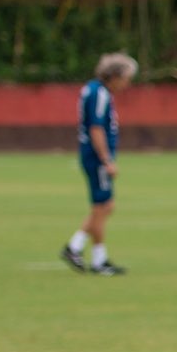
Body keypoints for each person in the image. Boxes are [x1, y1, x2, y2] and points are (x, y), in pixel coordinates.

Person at [61, 53, 136, 276]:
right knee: (101, 207)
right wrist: (107, 160)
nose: (127, 83)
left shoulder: (92, 89)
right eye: (126, 78)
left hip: (91, 155)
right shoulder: (99, 94)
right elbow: (96, 128)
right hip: (96, 156)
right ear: (114, 76)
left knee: (105, 206)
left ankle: (94, 257)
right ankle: (78, 249)